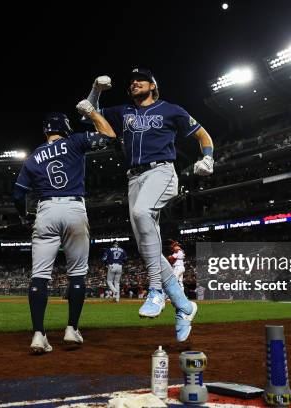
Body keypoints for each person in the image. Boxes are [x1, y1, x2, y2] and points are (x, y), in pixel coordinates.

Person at [82, 68, 214, 341]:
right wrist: (95, 89)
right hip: (134, 178)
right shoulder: (123, 111)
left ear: (153, 85)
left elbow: (203, 135)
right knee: (146, 249)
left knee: (143, 213)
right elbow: (88, 112)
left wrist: (208, 158)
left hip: (161, 171)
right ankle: (185, 306)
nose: (134, 83)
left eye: (140, 79)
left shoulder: (171, 109)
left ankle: (156, 290)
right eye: (131, 81)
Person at [13, 102, 116, 354]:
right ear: (65, 127)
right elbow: (110, 136)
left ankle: (39, 335)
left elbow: (18, 194)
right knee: (77, 273)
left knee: (39, 275)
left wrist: (24, 217)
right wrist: (92, 113)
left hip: (45, 210)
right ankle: (72, 330)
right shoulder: (75, 141)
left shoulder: (33, 156)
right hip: (73, 208)